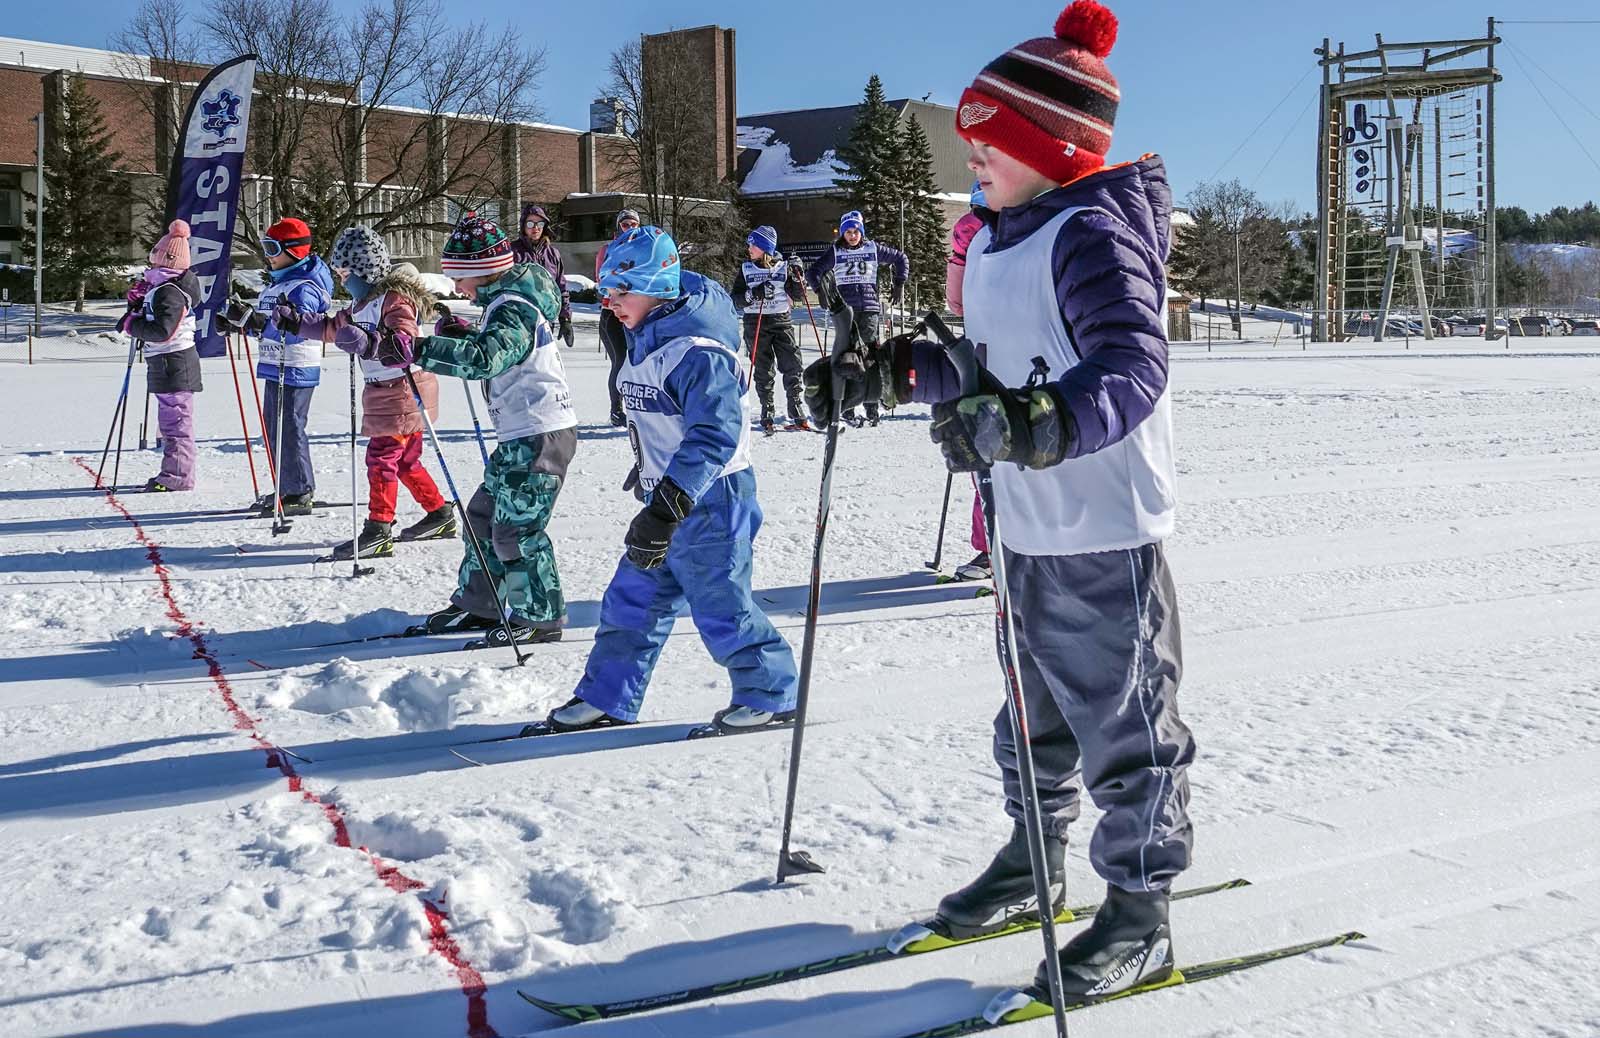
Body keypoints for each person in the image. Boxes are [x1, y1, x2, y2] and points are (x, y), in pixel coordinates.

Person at [804, 0, 1193, 1001]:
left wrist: (1034, 424)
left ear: (1054, 147)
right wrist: (891, 372)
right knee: (1031, 713)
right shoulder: (994, 239)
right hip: (1025, 524)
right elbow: (986, 365)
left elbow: (1132, 367)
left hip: (1102, 524)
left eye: (992, 141)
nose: (972, 155)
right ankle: (1034, 861)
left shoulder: (1093, 234)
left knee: (1126, 728)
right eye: (971, 139)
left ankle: (1141, 912)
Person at [536, 226, 799, 736]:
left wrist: (667, 504)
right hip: (667, 497)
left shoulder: (697, 351)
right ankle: (608, 696)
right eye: (606, 292)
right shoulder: (646, 332)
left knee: (721, 603)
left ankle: (770, 692)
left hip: (713, 498)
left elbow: (715, 433)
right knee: (632, 601)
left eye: (621, 291)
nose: (610, 303)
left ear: (656, 286)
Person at [407, 211, 578, 646]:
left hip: (540, 435)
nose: (456, 287)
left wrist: (418, 348)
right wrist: (461, 334)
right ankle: (482, 603)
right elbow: (495, 347)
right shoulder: (505, 304)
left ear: (483, 270)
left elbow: (487, 358)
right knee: (483, 518)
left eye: (459, 277)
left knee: (517, 530)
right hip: (521, 434)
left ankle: (539, 615)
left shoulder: (513, 308)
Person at [291, 225, 456, 559]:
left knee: (381, 458)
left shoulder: (393, 300)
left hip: (403, 390)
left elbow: (404, 338)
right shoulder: (359, 305)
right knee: (405, 461)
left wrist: (370, 343)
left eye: (345, 274)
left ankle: (379, 529)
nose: (342, 281)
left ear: (364, 271)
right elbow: (330, 328)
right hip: (388, 393)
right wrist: (293, 322)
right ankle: (439, 513)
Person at [221, 217, 334, 515]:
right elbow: (267, 326)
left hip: (295, 367)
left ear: (294, 250)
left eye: (273, 248)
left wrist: (257, 322)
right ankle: (287, 485)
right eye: (265, 247)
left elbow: (299, 328)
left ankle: (299, 490)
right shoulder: (278, 285)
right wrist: (241, 323)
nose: (268, 255)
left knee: (290, 428)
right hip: (275, 365)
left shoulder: (305, 288)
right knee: (274, 428)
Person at [804, 209, 909, 427]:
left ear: (862, 232)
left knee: (869, 356)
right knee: (847, 357)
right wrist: (820, 290)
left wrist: (899, 283)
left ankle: (871, 405)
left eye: (855, 231)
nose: (852, 236)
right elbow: (813, 271)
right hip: (846, 311)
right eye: (848, 232)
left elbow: (901, 258)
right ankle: (848, 405)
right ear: (842, 234)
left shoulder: (872, 248)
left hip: (869, 309)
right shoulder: (836, 251)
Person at [120, 220, 202, 492]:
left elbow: (164, 331)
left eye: (155, 258)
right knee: (170, 423)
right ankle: (174, 473)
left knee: (176, 424)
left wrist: (133, 325)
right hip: (166, 362)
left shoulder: (169, 292)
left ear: (166, 260)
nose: (151, 263)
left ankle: (177, 476)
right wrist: (138, 306)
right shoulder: (161, 288)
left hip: (174, 362)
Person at [946, 181, 994, 582]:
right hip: (1026, 352)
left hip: (982, 350)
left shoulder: (966, 231)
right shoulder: (1035, 224)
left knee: (986, 451)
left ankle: (990, 547)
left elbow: (956, 302)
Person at [729, 225, 811, 432]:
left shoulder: (783, 267)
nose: (749, 249)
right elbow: (735, 299)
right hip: (755, 322)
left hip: (781, 321)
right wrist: (753, 294)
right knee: (763, 369)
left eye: (753, 245)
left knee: (792, 364)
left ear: (765, 247)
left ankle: (795, 405)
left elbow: (799, 296)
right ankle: (767, 408)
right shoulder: (746, 269)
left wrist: (798, 275)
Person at [595, 209, 642, 426]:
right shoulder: (608, 250)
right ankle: (616, 410)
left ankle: (636, 407)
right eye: (625, 225)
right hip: (612, 315)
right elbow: (601, 283)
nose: (629, 228)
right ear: (618, 227)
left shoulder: (643, 249)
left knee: (637, 362)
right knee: (620, 361)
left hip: (635, 314)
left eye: (633, 224)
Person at [511, 205, 574, 348]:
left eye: (539, 223)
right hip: (518, 322)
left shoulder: (553, 254)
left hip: (545, 321)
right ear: (523, 226)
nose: (535, 228)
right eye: (530, 223)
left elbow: (560, 288)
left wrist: (565, 319)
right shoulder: (512, 252)